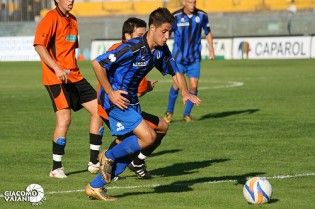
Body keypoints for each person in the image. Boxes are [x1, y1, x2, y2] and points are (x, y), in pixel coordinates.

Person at [85, 7, 201, 201]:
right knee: (148, 137)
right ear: (152, 28)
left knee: (143, 141)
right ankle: (109, 154)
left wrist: (185, 90)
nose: (166, 36)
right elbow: (98, 63)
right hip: (116, 103)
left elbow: (175, 70)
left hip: (132, 104)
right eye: (164, 32)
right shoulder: (132, 47)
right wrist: (111, 92)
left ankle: (95, 186)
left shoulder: (160, 50)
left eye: (169, 32)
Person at [33, 0, 104, 178]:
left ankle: (94, 162)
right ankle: (56, 168)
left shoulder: (73, 20)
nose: (71, 0)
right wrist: (56, 68)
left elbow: (70, 50)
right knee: (64, 119)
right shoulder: (50, 18)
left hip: (74, 76)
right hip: (54, 78)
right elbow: (39, 46)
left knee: (99, 111)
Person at [98, 17, 168, 180]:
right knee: (133, 137)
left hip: (126, 104)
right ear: (127, 35)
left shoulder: (141, 50)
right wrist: (145, 88)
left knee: (160, 127)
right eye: (139, 34)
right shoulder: (123, 50)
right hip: (112, 104)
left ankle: (135, 162)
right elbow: (102, 68)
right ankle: (106, 162)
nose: (144, 38)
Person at [164, 0, 215, 123]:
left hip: (194, 58)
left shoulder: (202, 15)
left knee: (194, 85)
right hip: (179, 58)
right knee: (177, 85)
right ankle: (169, 112)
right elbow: (167, 33)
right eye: (190, 2)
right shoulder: (175, 16)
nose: (193, 5)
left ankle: (187, 114)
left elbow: (207, 32)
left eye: (194, 2)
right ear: (184, 2)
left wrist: (211, 50)